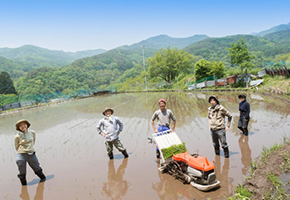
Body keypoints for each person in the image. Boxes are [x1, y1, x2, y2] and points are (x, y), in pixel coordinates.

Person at [14, 119, 46, 186]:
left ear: (27, 125)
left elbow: (33, 142)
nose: (23, 126)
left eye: (24, 124)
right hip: (21, 155)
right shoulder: (17, 136)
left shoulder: (32, 132)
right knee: (22, 172)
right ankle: (24, 186)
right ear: (19, 128)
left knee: (37, 168)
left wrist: (30, 149)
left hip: (31, 154)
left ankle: (43, 180)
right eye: (20, 125)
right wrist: (23, 151)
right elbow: (16, 146)